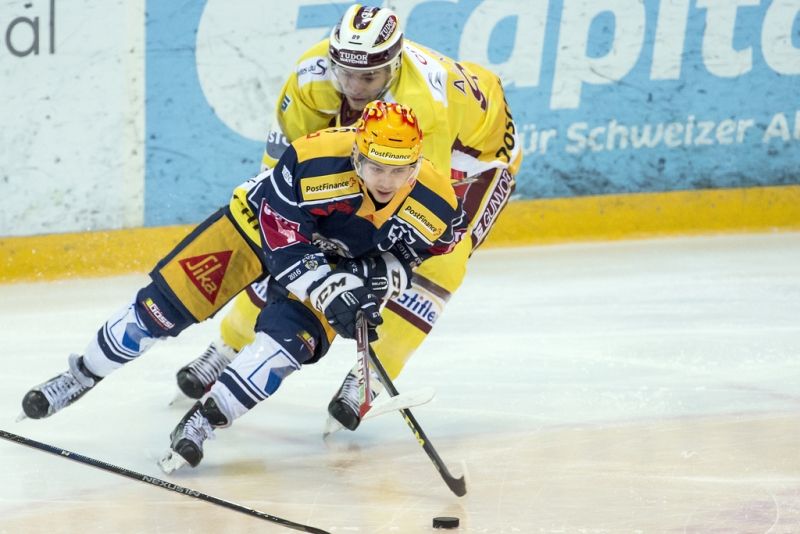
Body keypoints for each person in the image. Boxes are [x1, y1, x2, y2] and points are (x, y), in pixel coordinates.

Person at [21, 101, 467, 472]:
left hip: (335, 259)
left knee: (286, 347)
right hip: (254, 228)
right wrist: (330, 292)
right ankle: (79, 374)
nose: (386, 182)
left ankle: (203, 422)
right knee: (161, 310)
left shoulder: (436, 203)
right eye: (375, 167)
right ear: (357, 155)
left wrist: (375, 280)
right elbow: (282, 241)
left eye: (399, 170)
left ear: (416, 163)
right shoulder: (313, 159)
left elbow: (416, 253)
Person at [175, 3, 523, 432]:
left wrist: (364, 273)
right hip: (395, 144)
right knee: (296, 235)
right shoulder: (312, 77)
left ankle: (368, 379)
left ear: (393, 67)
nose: (355, 87)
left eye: (370, 77)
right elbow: (279, 186)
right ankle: (227, 347)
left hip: (475, 160)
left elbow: (405, 204)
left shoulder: (423, 108)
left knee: (442, 260)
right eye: (347, 73)